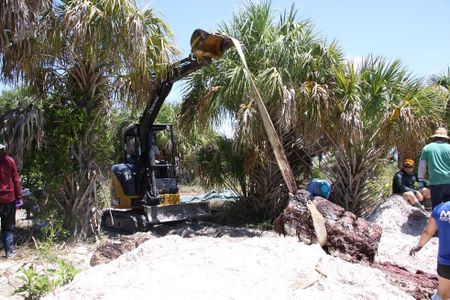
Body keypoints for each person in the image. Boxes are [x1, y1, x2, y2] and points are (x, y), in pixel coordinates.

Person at [410, 201, 450, 300]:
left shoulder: (441, 208)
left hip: (445, 262)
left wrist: (419, 246)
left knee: (442, 295)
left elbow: (428, 232)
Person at [418, 127, 450, 210]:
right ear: (445, 138)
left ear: (435, 137)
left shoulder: (427, 148)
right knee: (448, 207)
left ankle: (435, 222)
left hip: (435, 182)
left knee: (436, 207)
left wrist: (420, 180)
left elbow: (422, 166)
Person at [0, 143, 22, 258]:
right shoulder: (9, 160)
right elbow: (16, 180)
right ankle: (9, 252)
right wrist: (19, 198)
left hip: (8, 198)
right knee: (8, 227)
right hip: (8, 198)